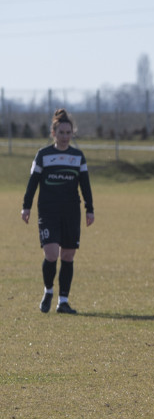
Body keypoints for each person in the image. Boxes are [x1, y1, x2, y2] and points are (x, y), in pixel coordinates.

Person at [21, 108, 95, 315]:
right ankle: (48, 291)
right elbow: (32, 183)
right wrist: (26, 206)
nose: (64, 137)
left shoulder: (77, 157)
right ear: (53, 133)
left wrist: (90, 209)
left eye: (68, 133)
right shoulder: (44, 155)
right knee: (51, 253)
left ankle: (63, 301)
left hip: (71, 211)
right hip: (48, 210)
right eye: (61, 133)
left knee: (68, 256)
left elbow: (85, 185)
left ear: (72, 134)